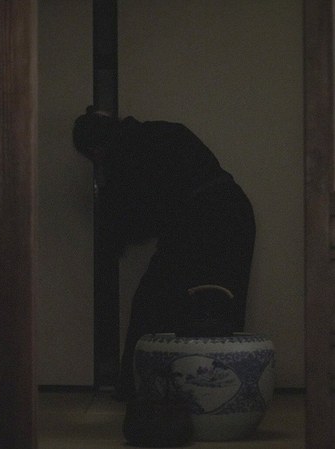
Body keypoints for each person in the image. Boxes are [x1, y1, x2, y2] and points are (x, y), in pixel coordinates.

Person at [72, 107, 256, 402]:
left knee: (153, 302)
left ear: (95, 150)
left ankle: (138, 386)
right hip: (235, 211)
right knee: (223, 300)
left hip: (197, 220)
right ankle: (224, 389)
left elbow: (135, 224)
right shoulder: (165, 130)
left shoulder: (124, 158)